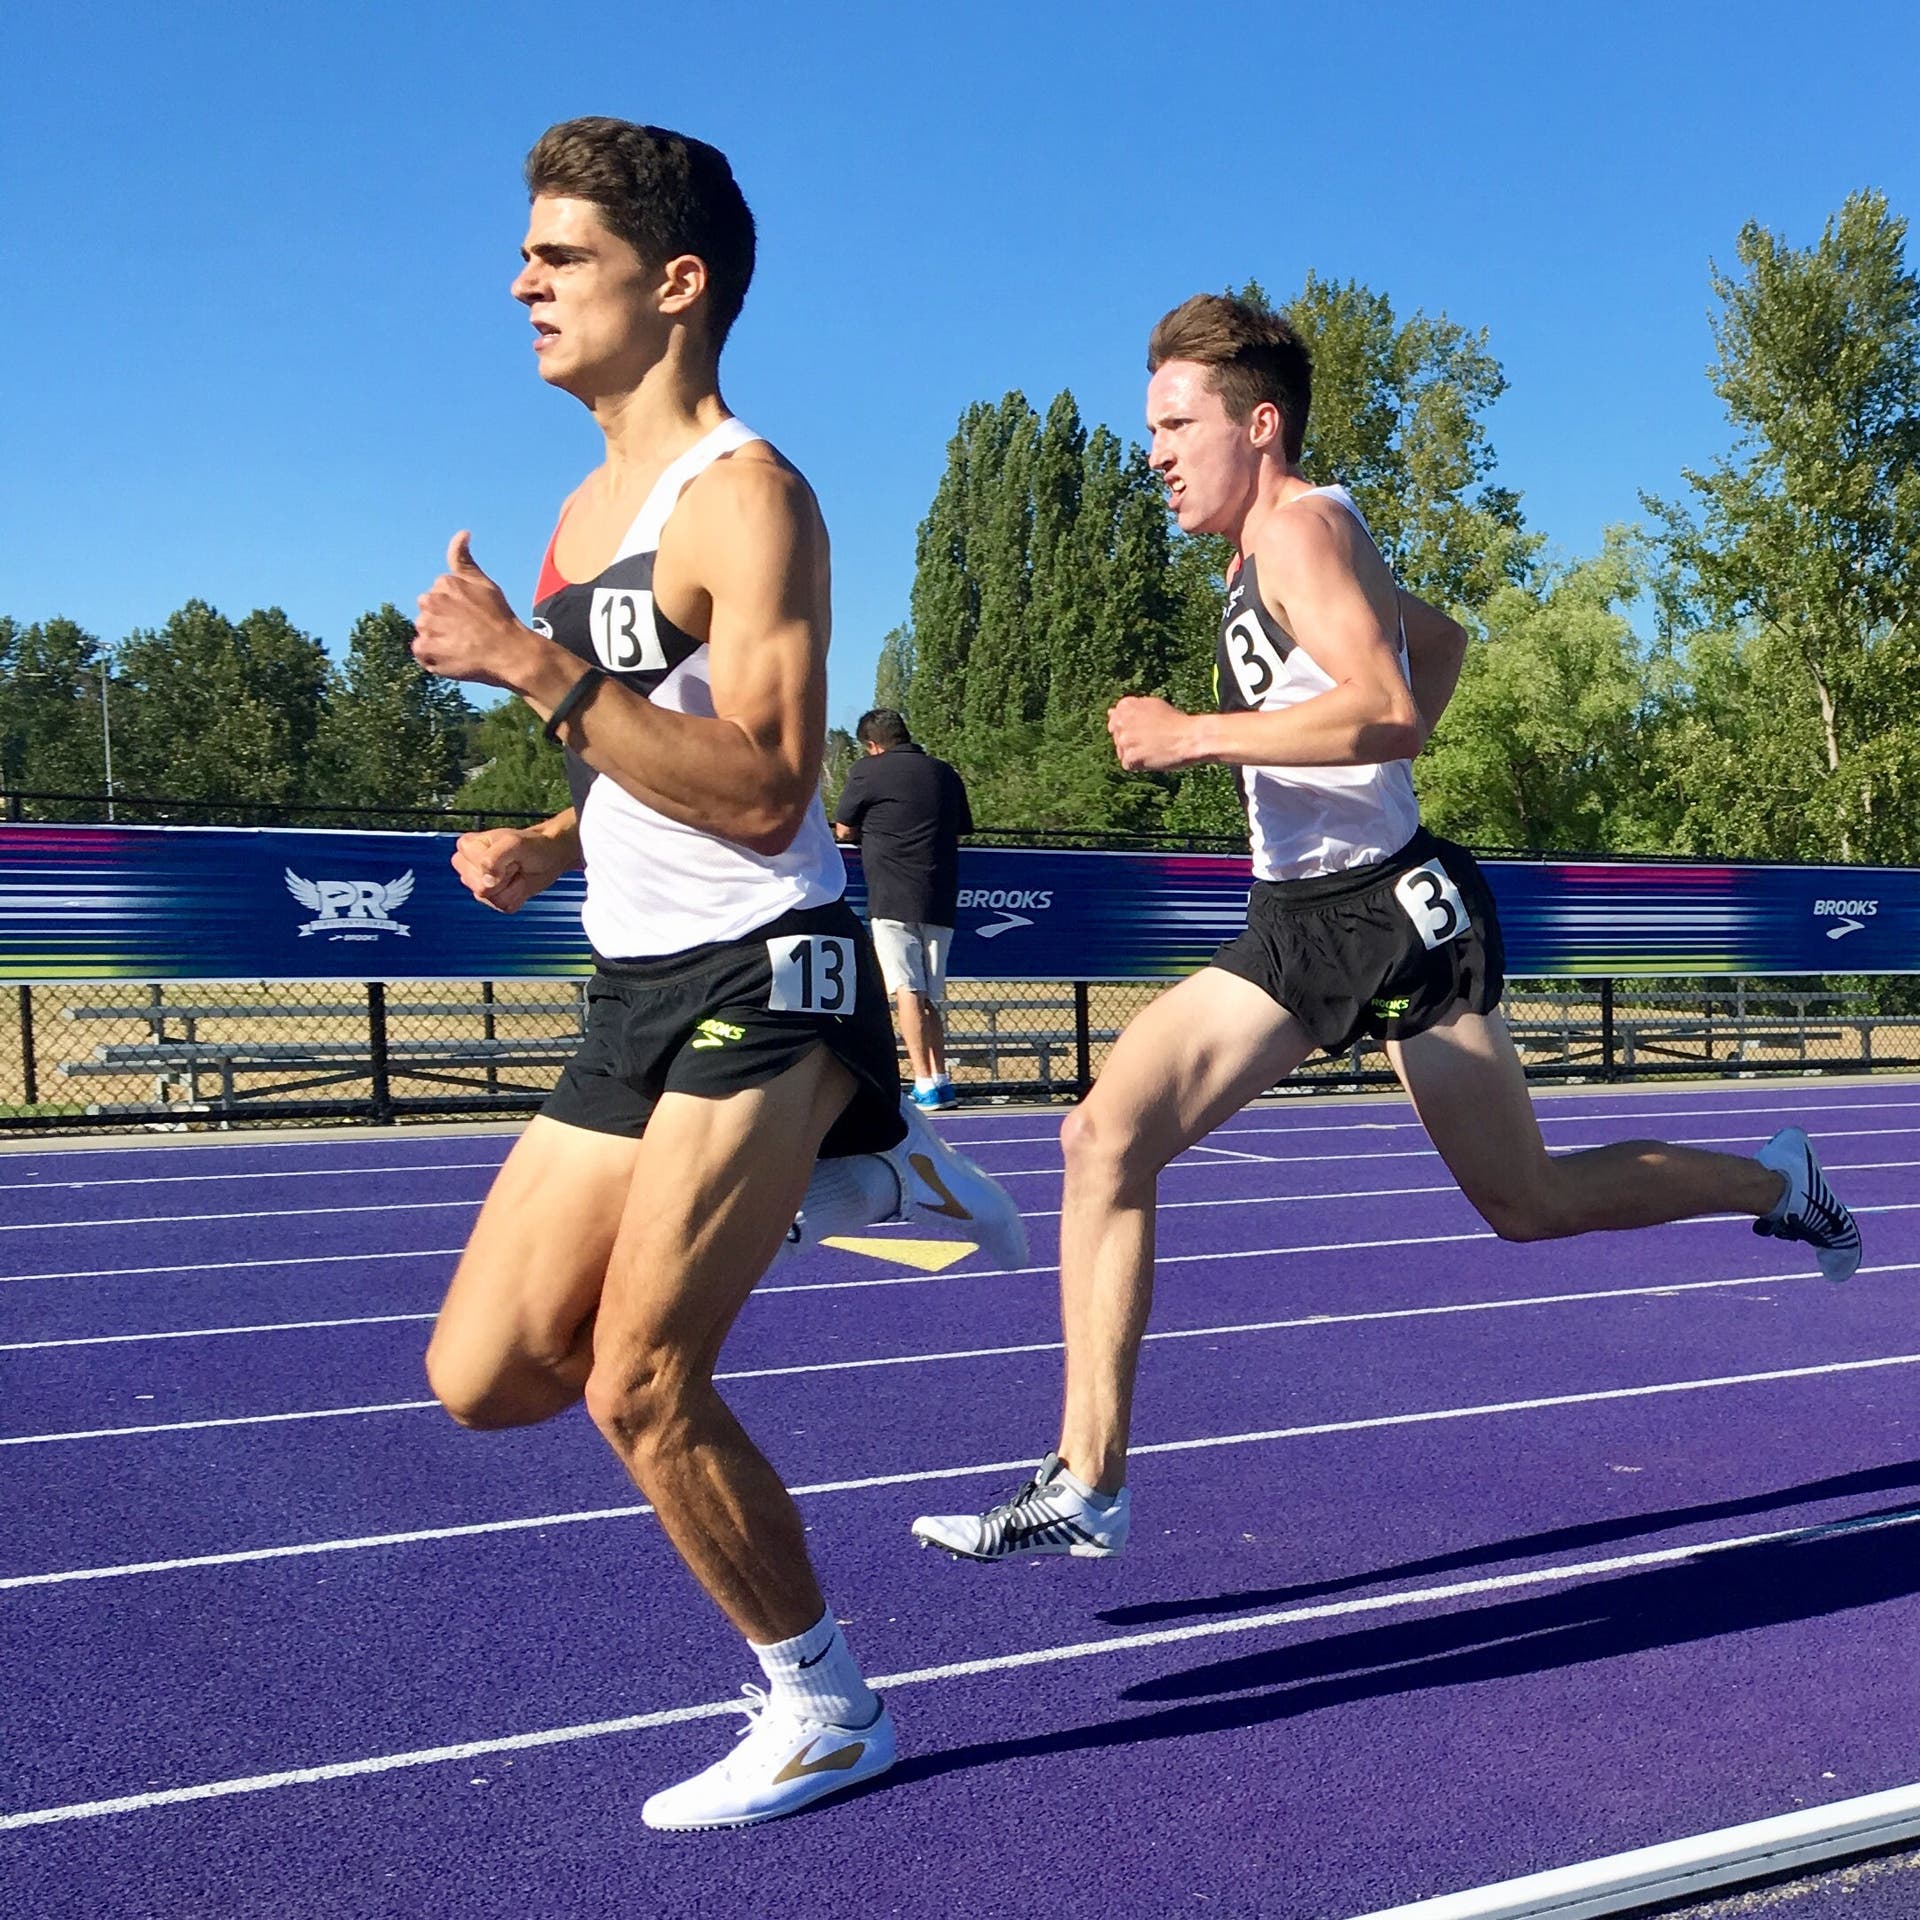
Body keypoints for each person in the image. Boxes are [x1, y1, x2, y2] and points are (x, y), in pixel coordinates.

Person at [911, 291, 1861, 1563]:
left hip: (1387, 918)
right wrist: (1351, 776)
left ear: (1260, 425)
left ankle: (1778, 1182)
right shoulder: (1278, 548)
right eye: (1151, 430)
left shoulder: (1300, 530)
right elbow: (1437, 648)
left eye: (1176, 425)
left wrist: (1196, 736)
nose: (1154, 454)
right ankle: (1087, 1482)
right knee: (1106, 1138)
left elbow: (1390, 707)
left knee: (1519, 1200)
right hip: (1308, 915)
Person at [408, 117, 1022, 1830]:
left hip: (775, 969)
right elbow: (646, 753)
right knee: (485, 1375)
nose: (522, 284)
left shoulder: (749, 497)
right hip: (637, 983)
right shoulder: (578, 512)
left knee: (636, 1379)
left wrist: (530, 668)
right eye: (524, 254)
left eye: (561, 256)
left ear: (676, 284)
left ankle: (826, 1707)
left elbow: (761, 789)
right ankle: (855, 1173)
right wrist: (556, 836)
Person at [831, 708, 973, 1109]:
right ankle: (941, 1079)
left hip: (892, 897)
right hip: (939, 897)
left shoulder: (867, 770)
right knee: (928, 997)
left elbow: (844, 828)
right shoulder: (944, 772)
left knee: (906, 991)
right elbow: (959, 830)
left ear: (872, 745)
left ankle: (923, 1081)